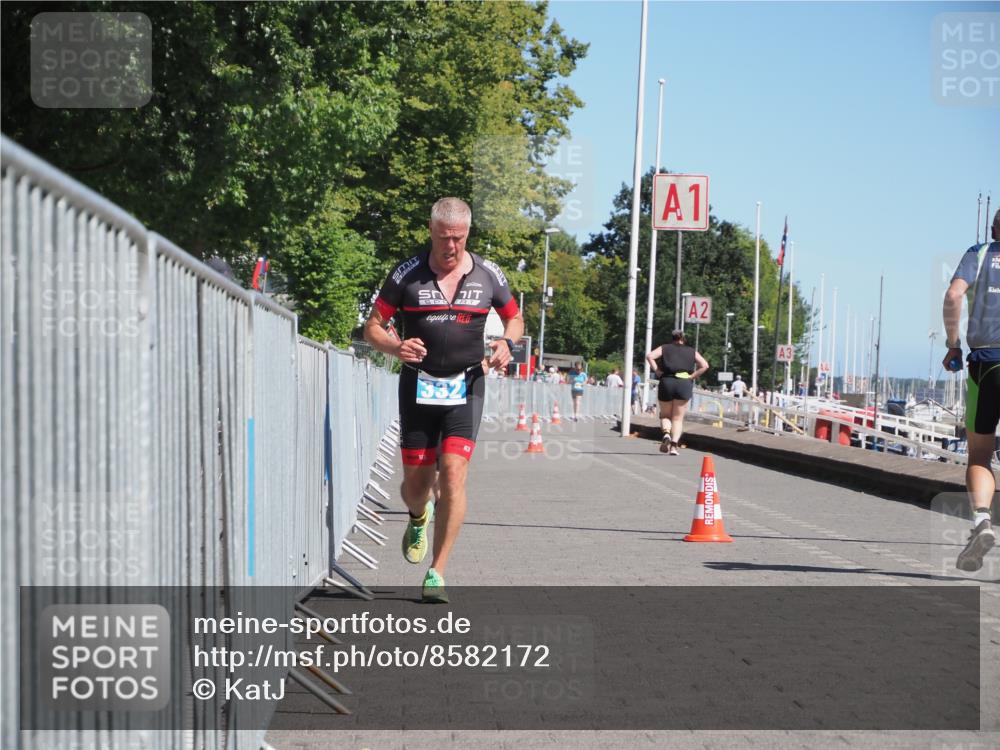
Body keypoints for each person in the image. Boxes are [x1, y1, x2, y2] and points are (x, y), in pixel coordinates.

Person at [364, 197, 523, 602]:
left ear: (468, 234)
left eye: (458, 238)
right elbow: (373, 328)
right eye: (442, 238)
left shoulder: (488, 274)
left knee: (453, 474)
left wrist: (506, 343)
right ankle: (418, 515)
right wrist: (396, 348)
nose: (450, 246)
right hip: (418, 386)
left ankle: (437, 571)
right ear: (430, 230)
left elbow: (515, 318)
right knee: (416, 485)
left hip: (466, 386)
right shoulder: (407, 273)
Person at [943, 208, 1000, 572]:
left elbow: (953, 296)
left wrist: (953, 344)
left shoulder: (979, 254)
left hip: (987, 363)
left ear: (995, 229)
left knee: (980, 453)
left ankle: (982, 520)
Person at [645, 331, 709, 455]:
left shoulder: (664, 348)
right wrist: (692, 377)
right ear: (683, 339)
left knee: (665, 416)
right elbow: (705, 365)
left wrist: (658, 371)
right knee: (678, 419)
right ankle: (674, 446)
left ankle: (666, 434)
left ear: (672, 338)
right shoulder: (691, 351)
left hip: (667, 381)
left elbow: (650, 356)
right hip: (684, 383)